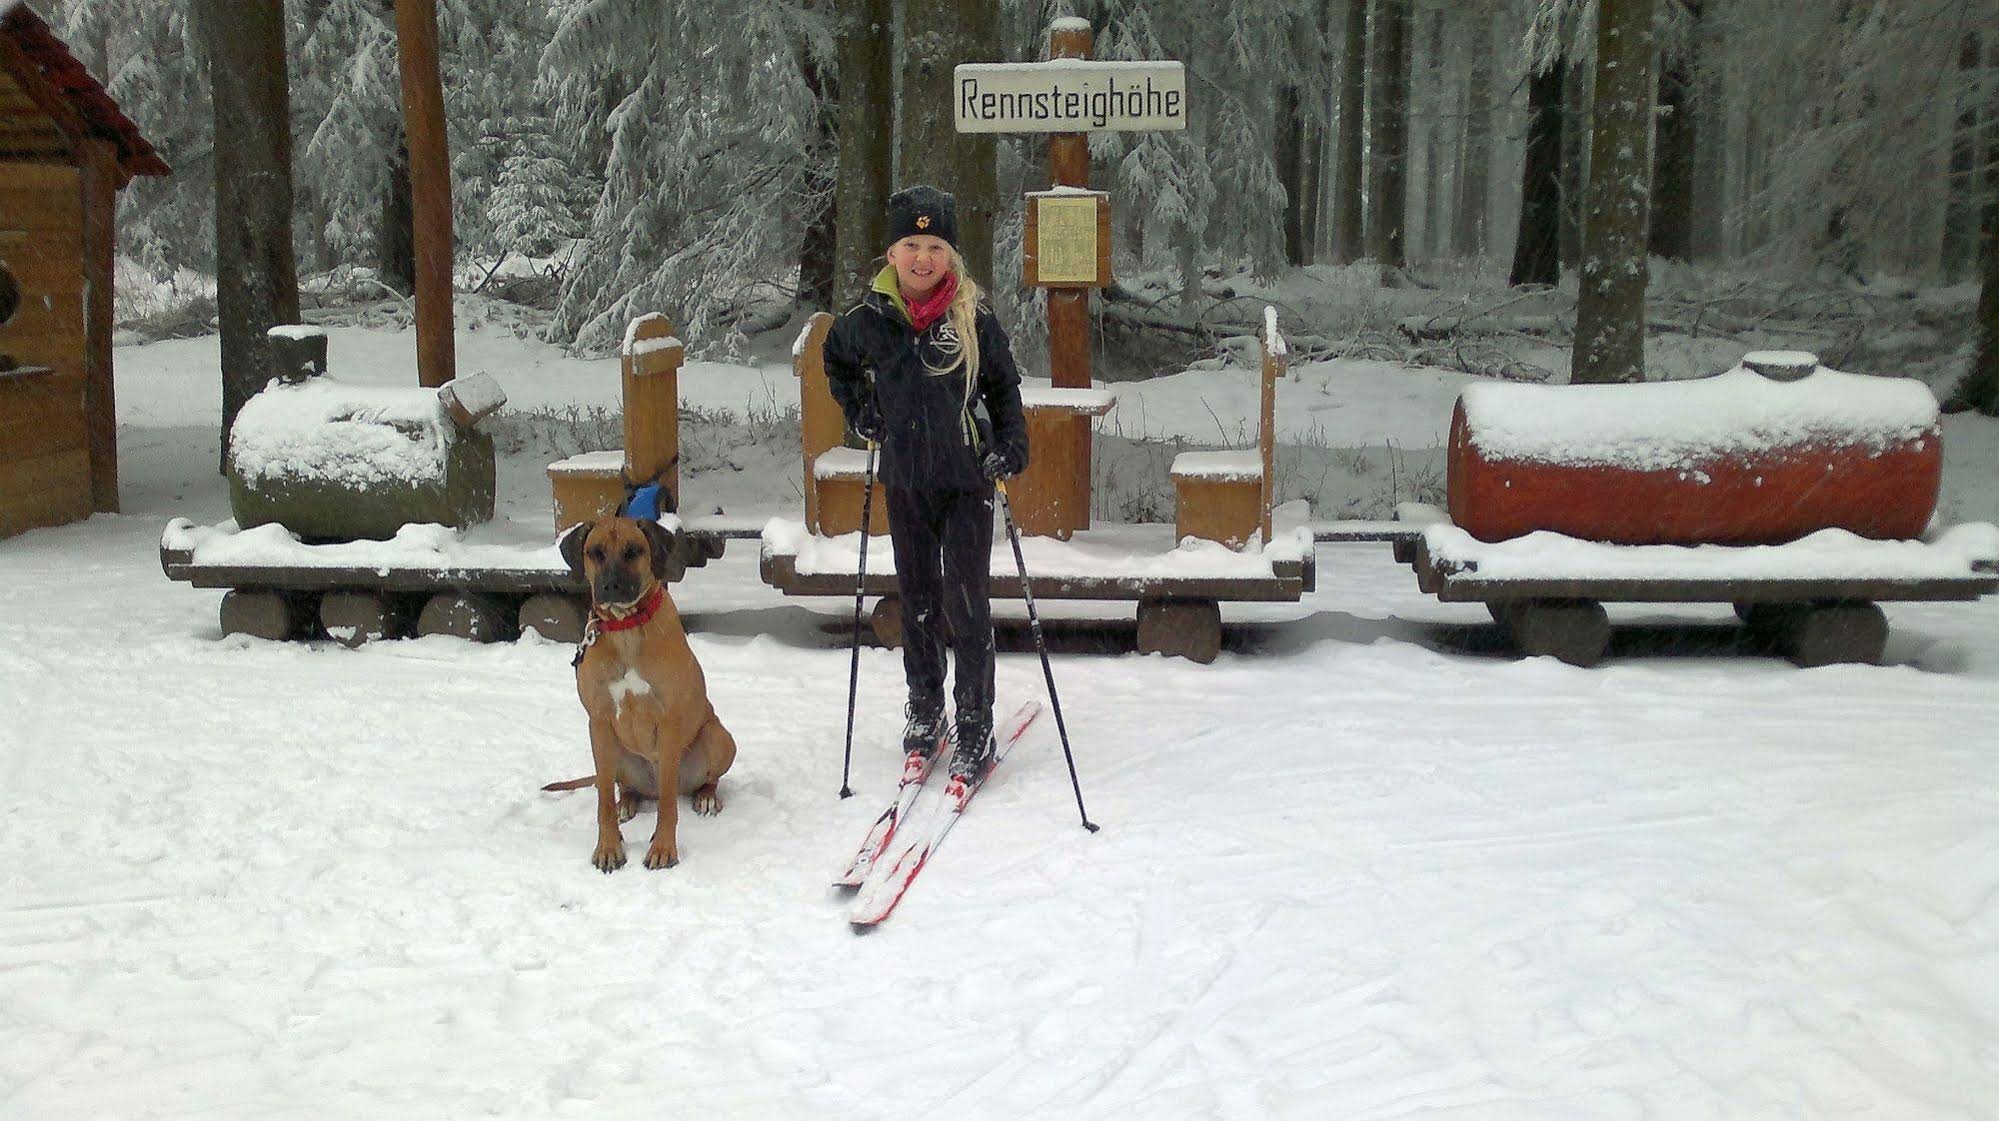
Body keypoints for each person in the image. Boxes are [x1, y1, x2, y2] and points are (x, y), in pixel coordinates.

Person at [822, 184, 1030, 783]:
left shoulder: (972, 317)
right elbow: (836, 363)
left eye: (935, 245)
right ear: (891, 253)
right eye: (911, 244)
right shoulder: (866, 320)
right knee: (916, 602)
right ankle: (925, 708)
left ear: (950, 255)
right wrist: (860, 410)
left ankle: (974, 721)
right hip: (906, 480)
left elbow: (1003, 387)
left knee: (966, 605)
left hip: (967, 482)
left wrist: (1011, 444)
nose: (922, 257)